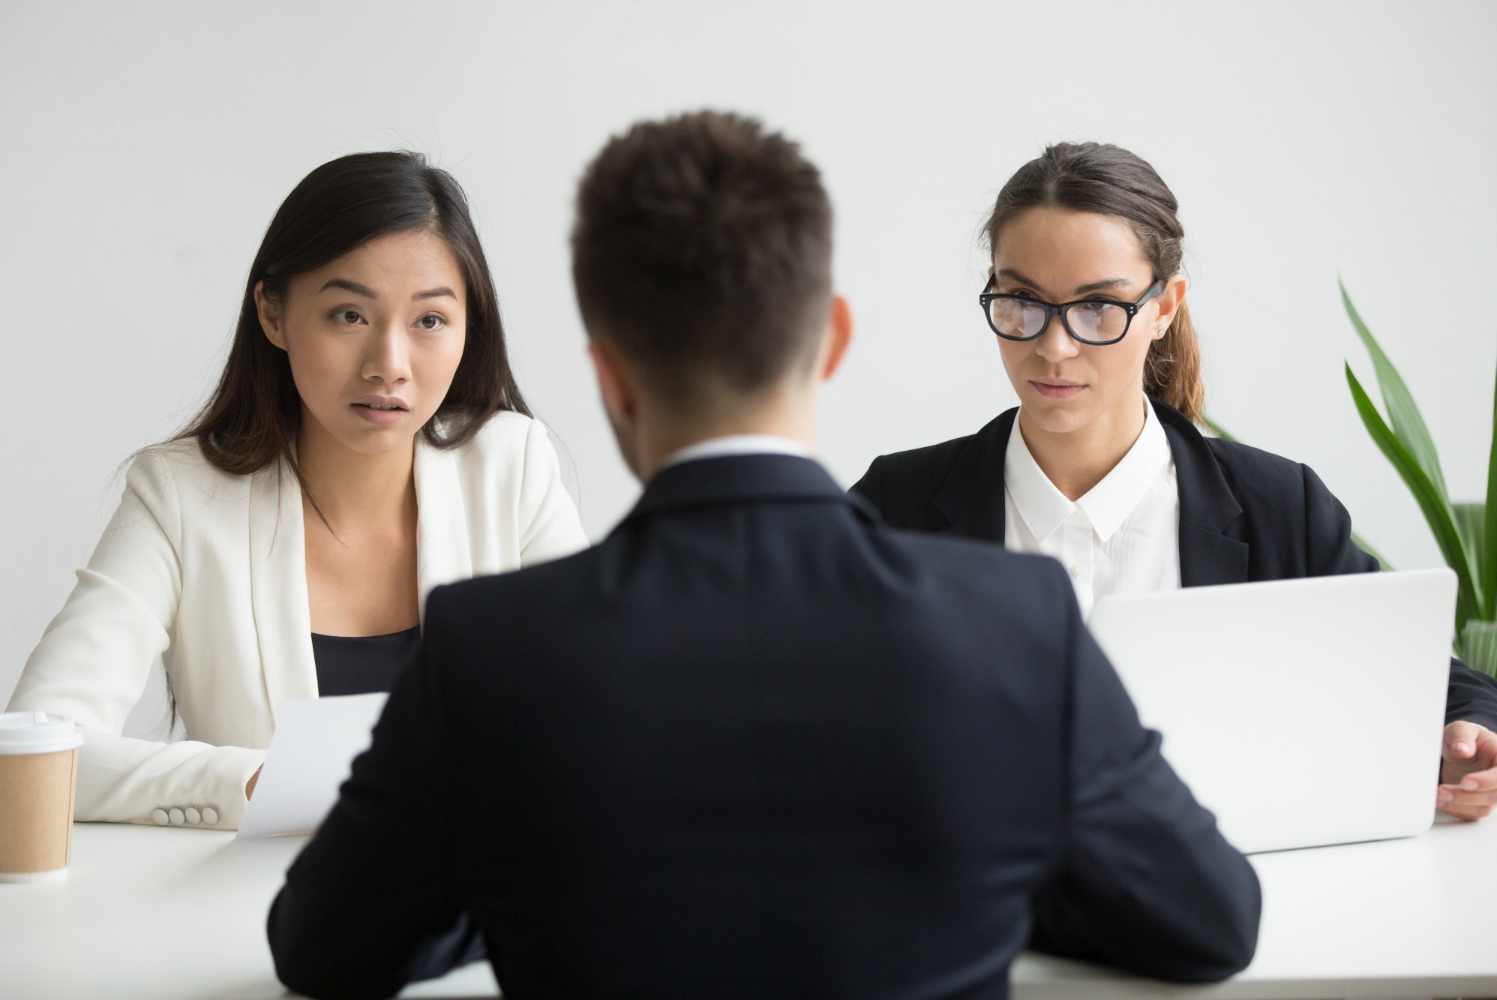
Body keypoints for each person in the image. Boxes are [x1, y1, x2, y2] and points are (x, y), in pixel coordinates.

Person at [266, 112, 1260, 1000]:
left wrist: (504, 878)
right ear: (831, 340)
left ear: (608, 372)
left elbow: (321, 949)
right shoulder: (1015, 620)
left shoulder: (488, 647)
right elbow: (1210, 922)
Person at [850, 141, 1497, 823]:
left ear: (1163, 308)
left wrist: (1470, 734)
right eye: (1021, 301)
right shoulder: (896, 505)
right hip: (973, 914)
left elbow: (1436, 683)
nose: (1053, 346)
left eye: (1098, 306)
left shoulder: (1280, 509)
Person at [6, 151, 589, 831]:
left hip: (482, 917)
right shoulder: (180, 497)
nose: (389, 367)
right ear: (274, 314)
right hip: (262, 921)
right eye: (349, 315)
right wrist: (259, 781)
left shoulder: (511, 466)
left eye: (429, 321)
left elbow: (597, 715)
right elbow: (33, 749)